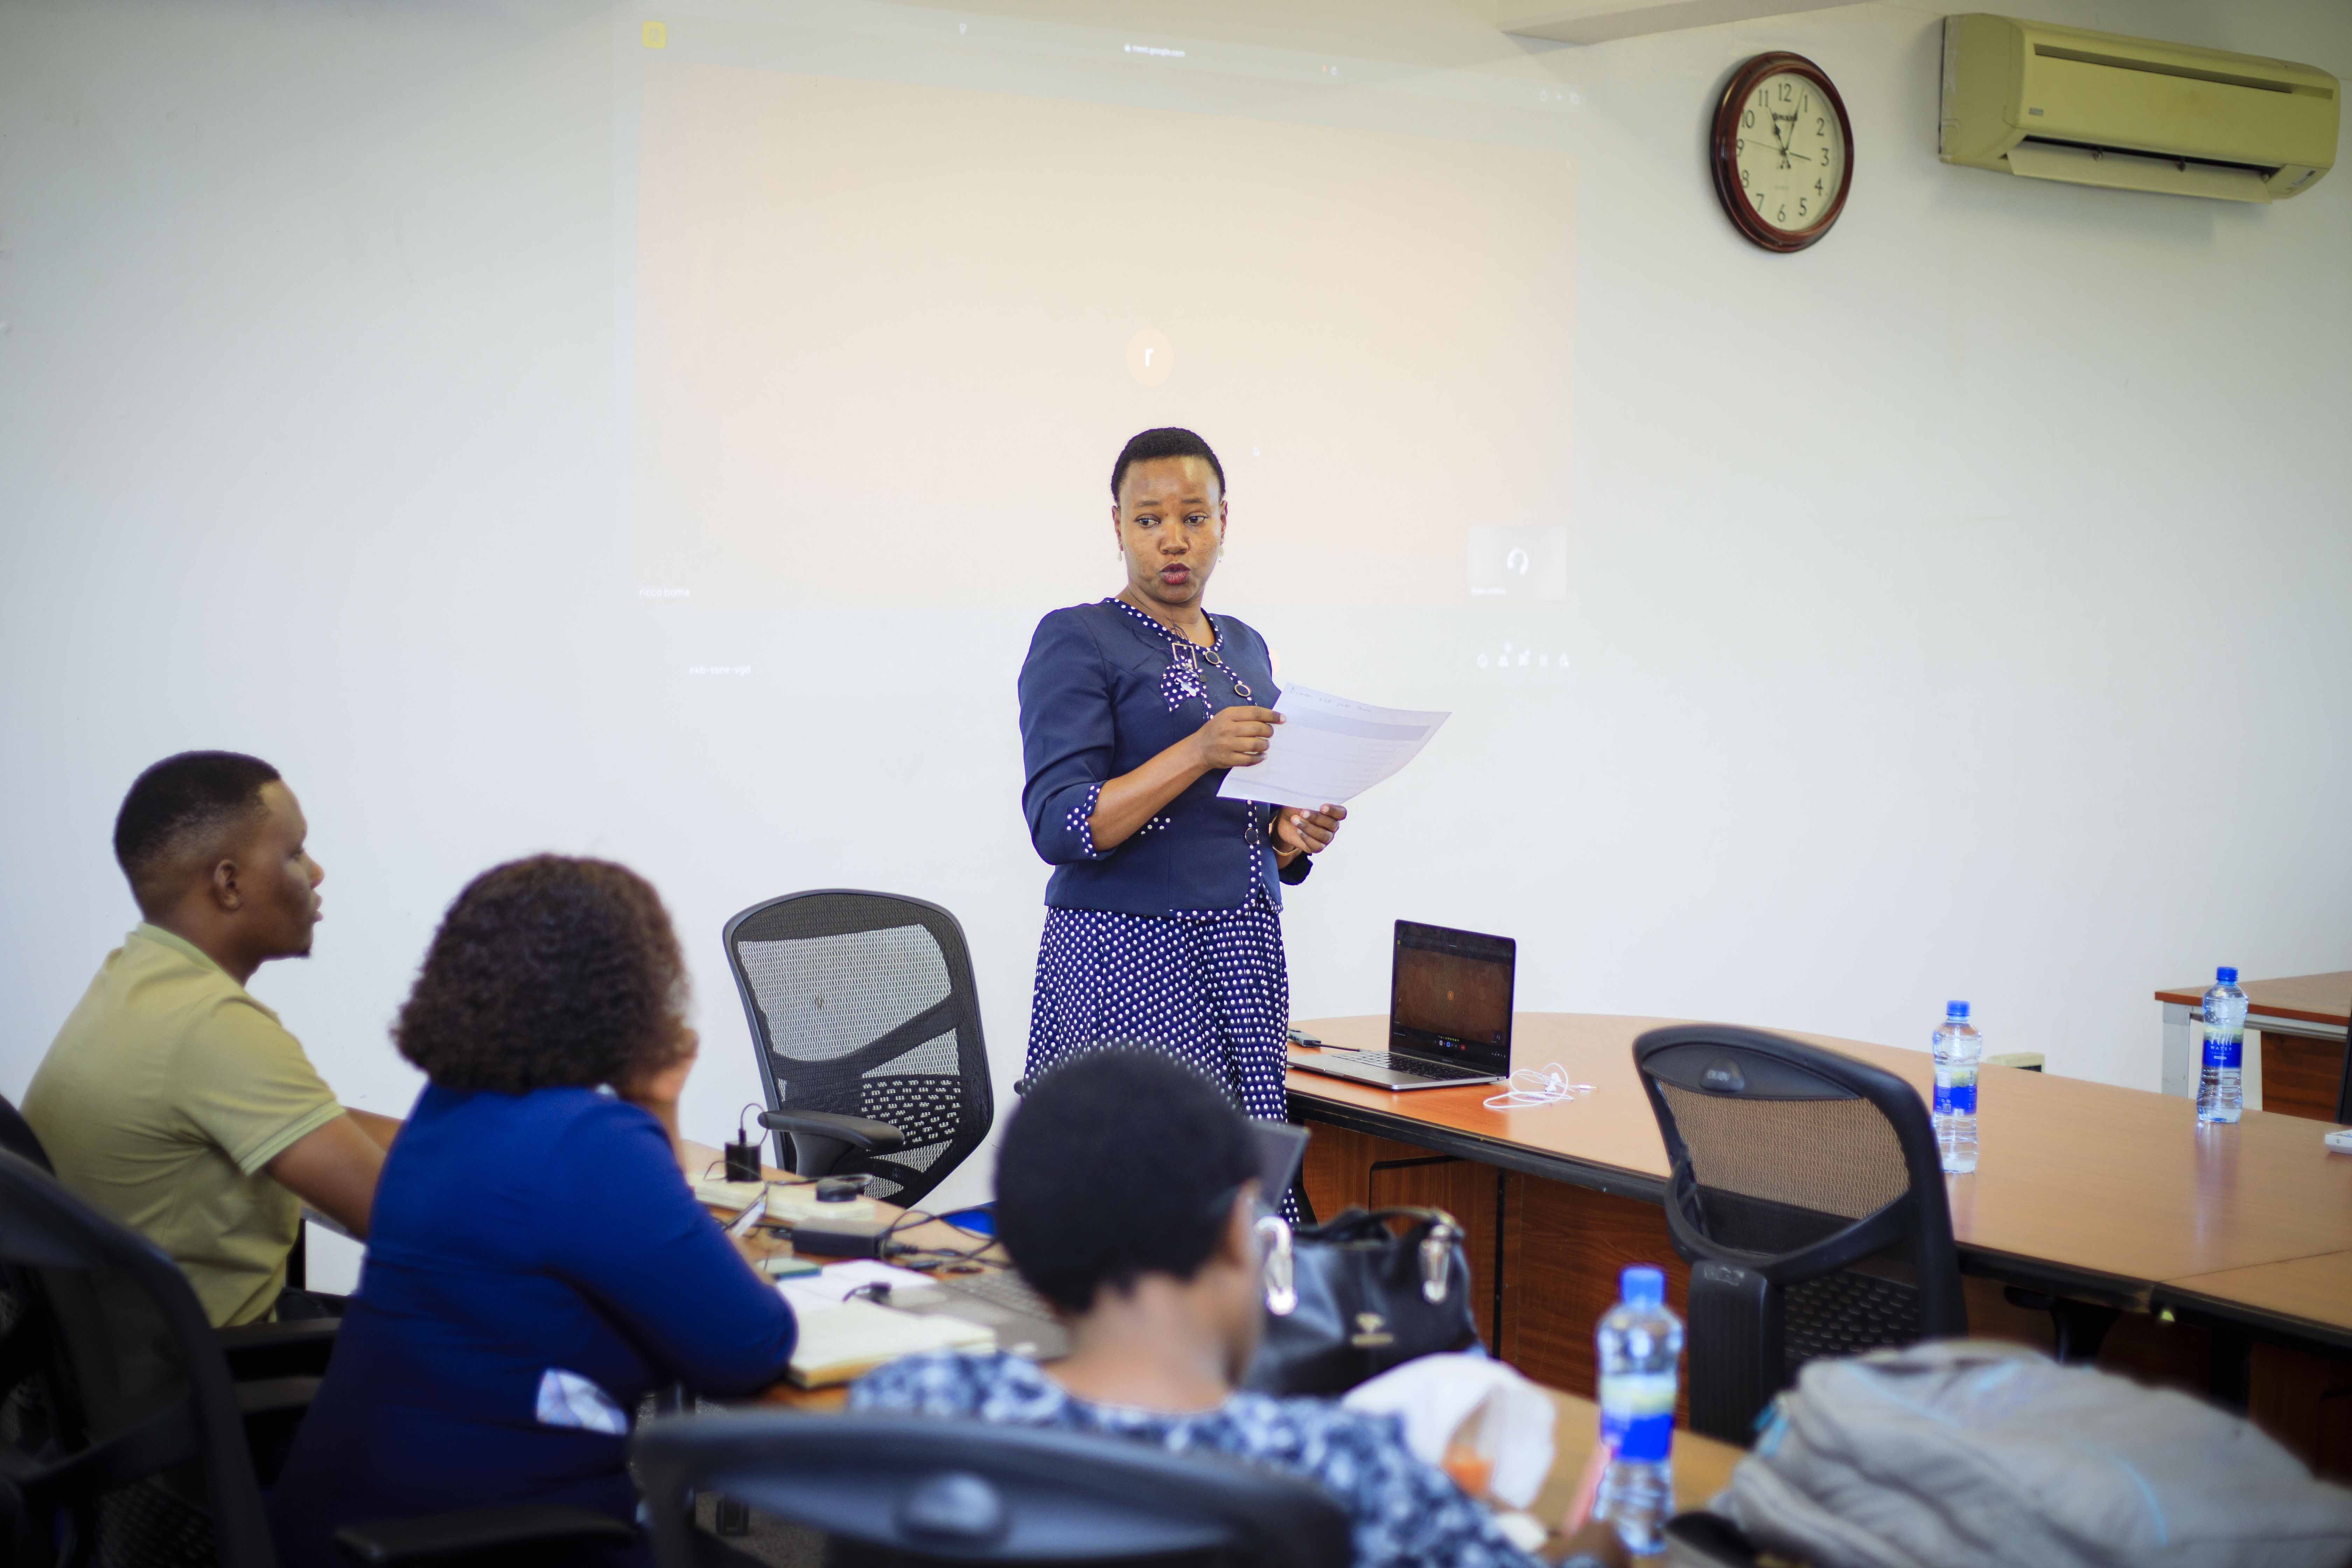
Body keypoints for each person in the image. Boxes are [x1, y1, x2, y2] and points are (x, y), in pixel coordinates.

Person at [852, 1050, 1628, 1568]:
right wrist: (1608, 1537)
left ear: (1020, 1249)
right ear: (1239, 1232)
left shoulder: (910, 1410)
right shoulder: (1345, 1468)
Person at [265, 855, 797, 1568]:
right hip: (503, 1537)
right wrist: (659, 1101)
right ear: (628, 990)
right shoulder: (592, 1141)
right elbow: (748, 1348)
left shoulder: (443, 1111)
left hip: (345, 1525)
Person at [1017, 427, 1347, 1174]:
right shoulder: (1079, 637)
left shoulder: (1245, 645)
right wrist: (1198, 749)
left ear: (1224, 522)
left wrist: (1288, 834)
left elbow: (1235, 812)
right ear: (1118, 527)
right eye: (1149, 519)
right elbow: (1062, 821)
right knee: (1142, 1199)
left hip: (1243, 952)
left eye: (1194, 518)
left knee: (1239, 1198)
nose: (1174, 539)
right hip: (1130, 954)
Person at [24, 750, 397, 1326]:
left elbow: (314, 1121)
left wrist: (470, 1144)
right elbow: (405, 1222)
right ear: (228, 883)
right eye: (295, 853)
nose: (316, 872)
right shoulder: (213, 1027)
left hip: (129, 1378)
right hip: (228, 1378)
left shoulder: (134, 980)